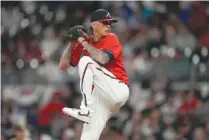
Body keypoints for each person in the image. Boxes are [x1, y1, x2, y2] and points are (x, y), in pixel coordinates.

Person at [59, 9, 130, 140]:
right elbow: (62, 65)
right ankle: (87, 110)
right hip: (100, 98)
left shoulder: (111, 38)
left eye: (110, 23)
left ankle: (85, 109)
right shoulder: (85, 42)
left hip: (117, 88)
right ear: (93, 25)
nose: (108, 26)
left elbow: (103, 59)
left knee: (86, 61)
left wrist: (83, 42)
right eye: (104, 23)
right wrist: (72, 43)